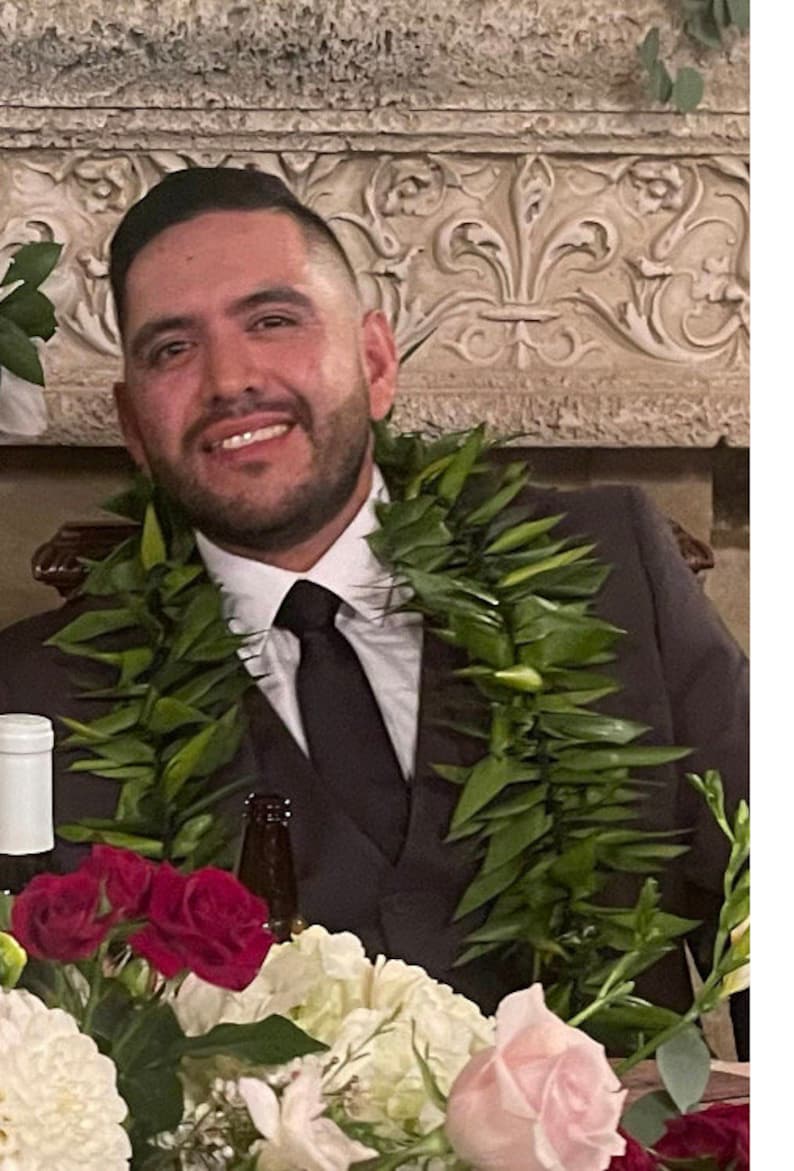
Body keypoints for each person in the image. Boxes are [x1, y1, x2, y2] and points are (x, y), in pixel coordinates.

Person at [0, 167, 748, 1045]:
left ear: (376, 360)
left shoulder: (611, 563)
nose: (230, 378)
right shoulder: (33, 695)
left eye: (273, 320)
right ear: (133, 427)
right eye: (172, 348)